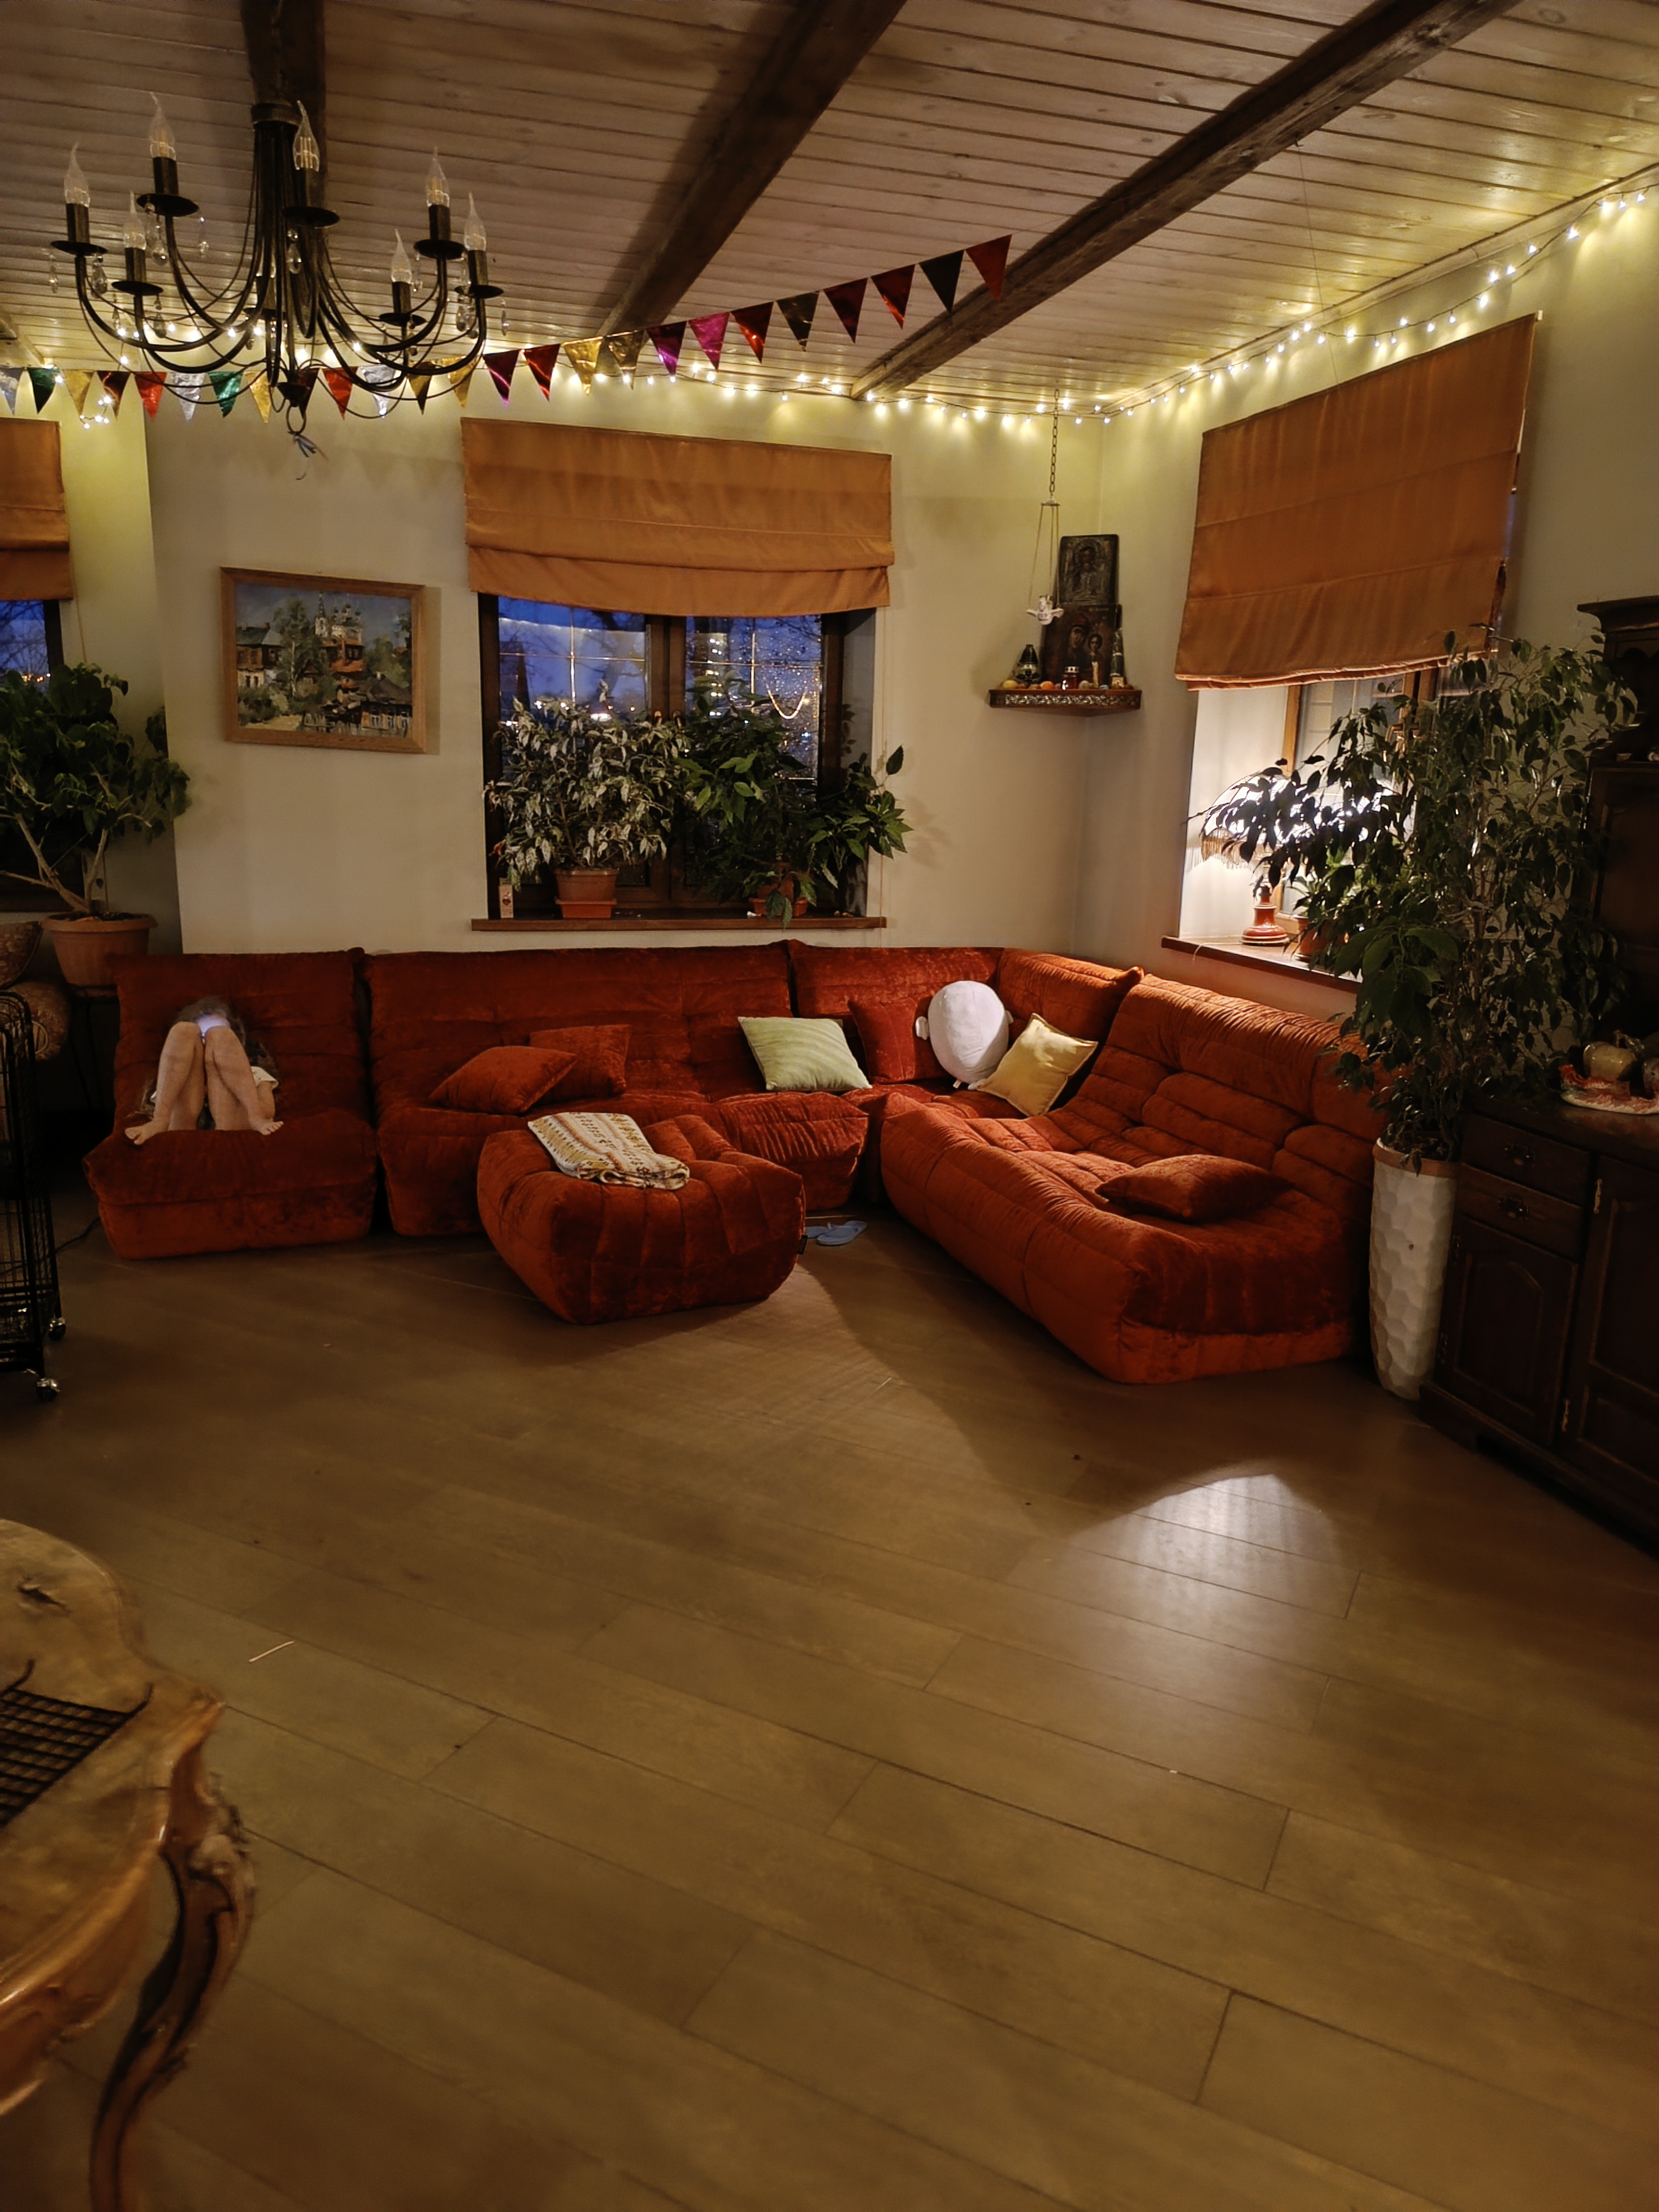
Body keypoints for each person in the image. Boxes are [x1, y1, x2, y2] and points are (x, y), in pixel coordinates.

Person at [125, 997, 281, 1144]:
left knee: (221, 1036)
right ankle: (160, 1121)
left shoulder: (254, 1073)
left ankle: (255, 1118)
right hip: (183, 1124)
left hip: (232, 1124)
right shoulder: (172, 1078)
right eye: (202, 1037)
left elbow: (269, 1110)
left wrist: (256, 1113)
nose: (209, 1044)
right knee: (183, 1030)